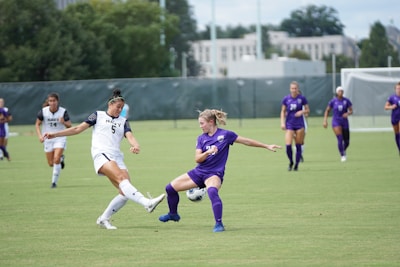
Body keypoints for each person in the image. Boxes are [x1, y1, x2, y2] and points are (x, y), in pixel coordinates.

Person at [43, 88, 165, 230]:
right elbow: (77, 129)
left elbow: (130, 136)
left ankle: (103, 219)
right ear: (110, 105)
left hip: (117, 156)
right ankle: (147, 202)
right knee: (122, 179)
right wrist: (55, 134)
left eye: (121, 107)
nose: (120, 110)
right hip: (101, 154)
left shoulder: (123, 121)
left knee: (125, 192)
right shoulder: (98, 115)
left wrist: (135, 146)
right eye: (117, 107)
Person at [158, 109, 281, 232]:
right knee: (170, 188)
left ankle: (219, 224)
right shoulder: (201, 138)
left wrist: (266, 146)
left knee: (212, 191)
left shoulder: (226, 135)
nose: (200, 126)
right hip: (199, 172)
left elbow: (246, 141)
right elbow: (197, 159)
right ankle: (173, 214)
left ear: (211, 122)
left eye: (202, 123)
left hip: (214, 174)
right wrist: (208, 152)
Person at [35, 93, 71, 187]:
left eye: (54, 101)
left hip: (60, 137)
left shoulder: (63, 111)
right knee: (51, 163)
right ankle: (61, 158)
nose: (52, 103)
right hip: (48, 138)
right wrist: (40, 136)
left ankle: (54, 182)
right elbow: (37, 124)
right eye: (50, 101)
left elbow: (69, 125)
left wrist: (63, 122)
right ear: (48, 102)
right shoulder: (43, 111)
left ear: (57, 101)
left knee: (56, 159)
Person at [280, 81, 310, 171]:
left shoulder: (302, 98)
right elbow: (283, 111)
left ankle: (296, 165)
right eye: (292, 88)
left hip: (300, 125)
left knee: (298, 145)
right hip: (289, 124)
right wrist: (282, 122)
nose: (294, 90)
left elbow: (308, 110)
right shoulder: (286, 99)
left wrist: (302, 111)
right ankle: (291, 162)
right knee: (288, 145)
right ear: (290, 89)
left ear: (298, 89)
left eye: (295, 88)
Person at [323, 86, 353, 162]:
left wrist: (348, 113)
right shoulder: (333, 101)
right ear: (337, 92)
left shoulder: (346, 101)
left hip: (344, 121)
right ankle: (342, 155)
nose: (341, 92)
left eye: (342, 91)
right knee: (340, 138)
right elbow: (327, 110)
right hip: (336, 121)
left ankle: (343, 150)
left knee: (347, 141)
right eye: (339, 91)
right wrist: (325, 120)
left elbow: (351, 110)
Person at [384, 81, 400, 155]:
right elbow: (386, 107)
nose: (398, 90)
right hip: (394, 117)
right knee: (397, 134)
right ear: (395, 89)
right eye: (397, 88)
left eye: (399, 88)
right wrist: (391, 107)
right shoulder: (392, 97)